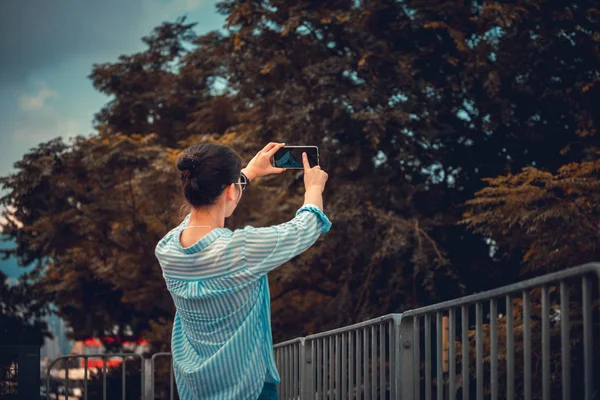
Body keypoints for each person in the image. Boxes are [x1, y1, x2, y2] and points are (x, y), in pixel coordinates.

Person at [154, 142, 331, 399]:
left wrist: (247, 174)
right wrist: (314, 188)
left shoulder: (167, 250)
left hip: (196, 390)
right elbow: (305, 228)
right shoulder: (240, 250)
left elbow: (190, 220)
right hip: (248, 387)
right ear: (229, 191)